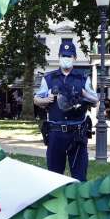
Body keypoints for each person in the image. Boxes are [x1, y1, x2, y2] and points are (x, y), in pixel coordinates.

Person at [34, 39, 98, 181]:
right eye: (63, 56)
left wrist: (83, 94)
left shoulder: (83, 79)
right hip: (56, 133)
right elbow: (36, 99)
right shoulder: (49, 79)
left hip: (78, 134)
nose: (66, 59)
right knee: (54, 177)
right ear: (59, 57)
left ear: (74, 58)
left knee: (80, 177)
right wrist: (48, 99)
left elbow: (95, 100)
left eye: (69, 56)